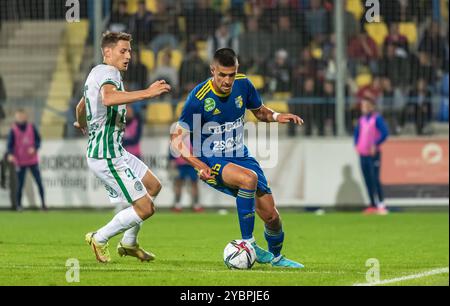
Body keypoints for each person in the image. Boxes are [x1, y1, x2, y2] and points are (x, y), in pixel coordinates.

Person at [171, 48, 304, 268]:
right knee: (248, 179)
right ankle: (249, 243)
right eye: (222, 75)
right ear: (212, 70)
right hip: (211, 157)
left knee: (272, 217)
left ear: (237, 70)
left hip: (239, 155)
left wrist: (278, 116)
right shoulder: (198, 98)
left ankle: (277, 258)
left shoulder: (243, 84)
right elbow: (176, 140)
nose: (227, 80)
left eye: (231, 75)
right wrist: (198, 164)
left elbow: (260, 112)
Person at [73, 32, 171, 263]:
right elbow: (107, 99)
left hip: (115, 151)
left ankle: (128, 243)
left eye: (129, 51)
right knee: (146, 208)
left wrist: (82, 122)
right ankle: (100, 237)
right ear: (107, 52)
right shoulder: (109, 73)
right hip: (106, 155)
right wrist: (147, 93)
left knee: (153, 186)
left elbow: (81, 104)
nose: (128, 55)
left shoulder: (96, 72)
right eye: (122, 51)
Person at [354, 97, 389, 215]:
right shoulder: (362, 120)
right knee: (367, 179)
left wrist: (375, 144)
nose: (363, 108)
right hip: (363, 154)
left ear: (371, 106)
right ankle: (372, 204)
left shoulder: (376, 119)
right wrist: (356, 145)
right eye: (362, 105)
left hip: (373, 154)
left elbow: (385, 133)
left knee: (375, 179)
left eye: (365, 105)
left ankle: (381, 204)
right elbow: (357, 134)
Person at [168, 146, 203, 213]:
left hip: (193, 163)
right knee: (178, 184)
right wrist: (171, 159)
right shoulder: (177, 135)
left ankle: (196, 205)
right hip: (180, 163)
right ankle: (177, 205)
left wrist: (200, 161)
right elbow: (172, 146)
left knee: (194, 184)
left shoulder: (194, 136)